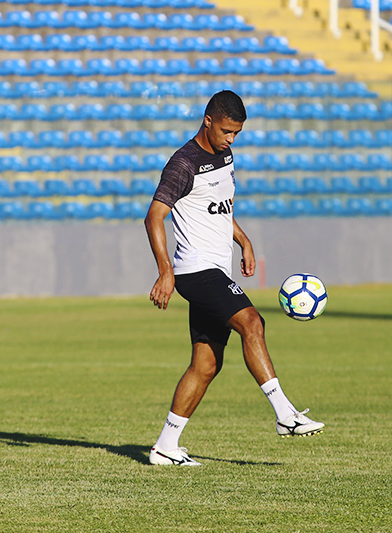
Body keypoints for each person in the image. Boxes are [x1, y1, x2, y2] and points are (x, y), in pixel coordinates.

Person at [143, 90, 324, 466]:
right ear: (207, 120)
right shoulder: (183, 163)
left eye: (237, 133)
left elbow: (218, 210)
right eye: (226, 131)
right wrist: (165, 272)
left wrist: (243, 240)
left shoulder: (224, 154)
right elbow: (154, 216)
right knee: (252, 322)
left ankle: (165, 446)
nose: (231, 139)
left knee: (206, 364)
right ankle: (285, 414)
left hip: (216, 267)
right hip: (196, 270)